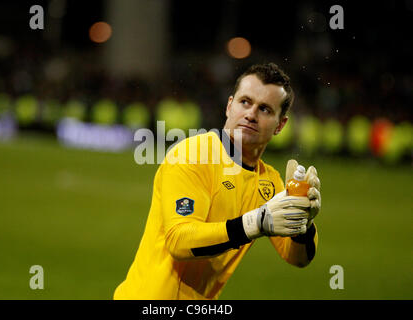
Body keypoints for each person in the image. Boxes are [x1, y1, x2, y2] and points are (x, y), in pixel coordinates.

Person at [114, 63, 322, 300]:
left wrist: (303, 223)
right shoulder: (193, 156)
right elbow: (179, 241)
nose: (251, 114)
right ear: (229, 106)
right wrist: (253, 223)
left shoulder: (269, 182)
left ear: (280, 125)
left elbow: (297, 259)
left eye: (264, 109)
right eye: (245, 102)